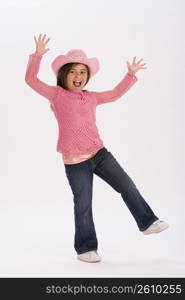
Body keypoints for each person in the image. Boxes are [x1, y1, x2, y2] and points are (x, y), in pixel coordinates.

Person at [25, 33, 169, 263]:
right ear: (64, 74)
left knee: (127, 185)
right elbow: (31, 80)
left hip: (99, 154)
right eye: (73, 71)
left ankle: (147, 222)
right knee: (83, 204)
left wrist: (130, 75)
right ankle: (85, 249)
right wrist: (38, 55)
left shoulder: (91, 97)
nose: (78, 76)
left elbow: (114, 94)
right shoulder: (56, 95)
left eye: (83, 72)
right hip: (75, 161)